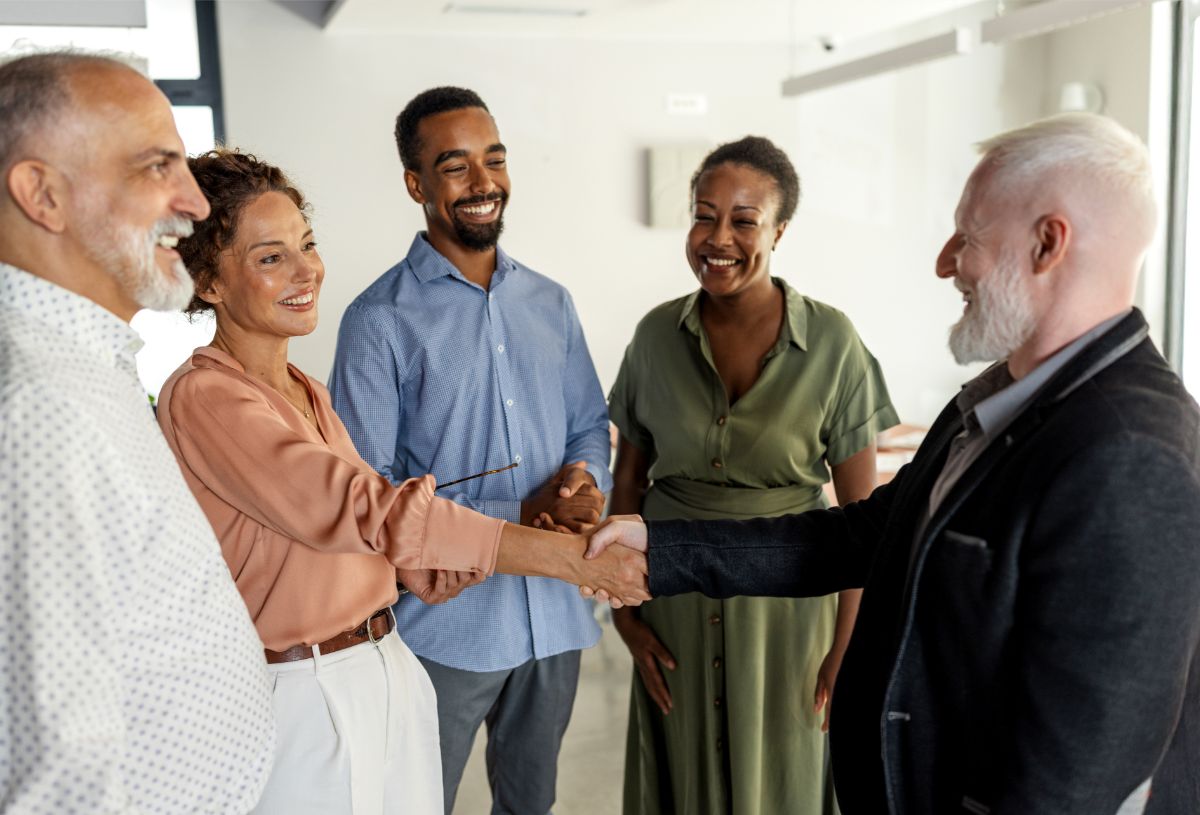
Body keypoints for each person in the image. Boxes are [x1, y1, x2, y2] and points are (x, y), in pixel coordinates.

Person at [585, 113, 1200, 815]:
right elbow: (854, 536)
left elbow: (1079, 770)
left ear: (1046, 243)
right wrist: (660, 546)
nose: (945, 262)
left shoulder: (1131, 451)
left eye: (967, 236)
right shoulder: (998, 401)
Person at [155, 148, 647, 814]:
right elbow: (367, 505)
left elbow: (355, 533)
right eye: (272, 258)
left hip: (383, 663)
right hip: (306, 689)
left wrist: (405, 571)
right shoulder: (207, 396)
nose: (307, 271)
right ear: (208, 281)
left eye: (307, 244)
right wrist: (566, 559)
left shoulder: (306, 390)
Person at [0, 52, 276, 812]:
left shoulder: (87, 365)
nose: (192, 202)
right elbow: (55, 776)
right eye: (159, 167)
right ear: (43, 194)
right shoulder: (39, 407)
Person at [328, 87, 612, 814]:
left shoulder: (551, 302)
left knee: (532, 804)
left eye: (494, 159)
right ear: (416, 184)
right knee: (420, 802)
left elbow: (588, 422)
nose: (484, 182)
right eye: (456, 167)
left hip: (553, 615)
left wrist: (584, 480)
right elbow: (369, 491)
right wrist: (520, 509)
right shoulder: (378, 320)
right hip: (441, 628)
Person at [607, 135, 897, 815]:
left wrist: (845, 649)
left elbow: (865, 523)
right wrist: (625, 618)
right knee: (677, 779)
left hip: (790, 619)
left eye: (744, 220)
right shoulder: (654, 336)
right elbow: (627, 488)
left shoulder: (832, 342)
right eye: (704, 215)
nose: (719, 237)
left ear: (779, 230)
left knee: (785, 783)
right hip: (671, 604)